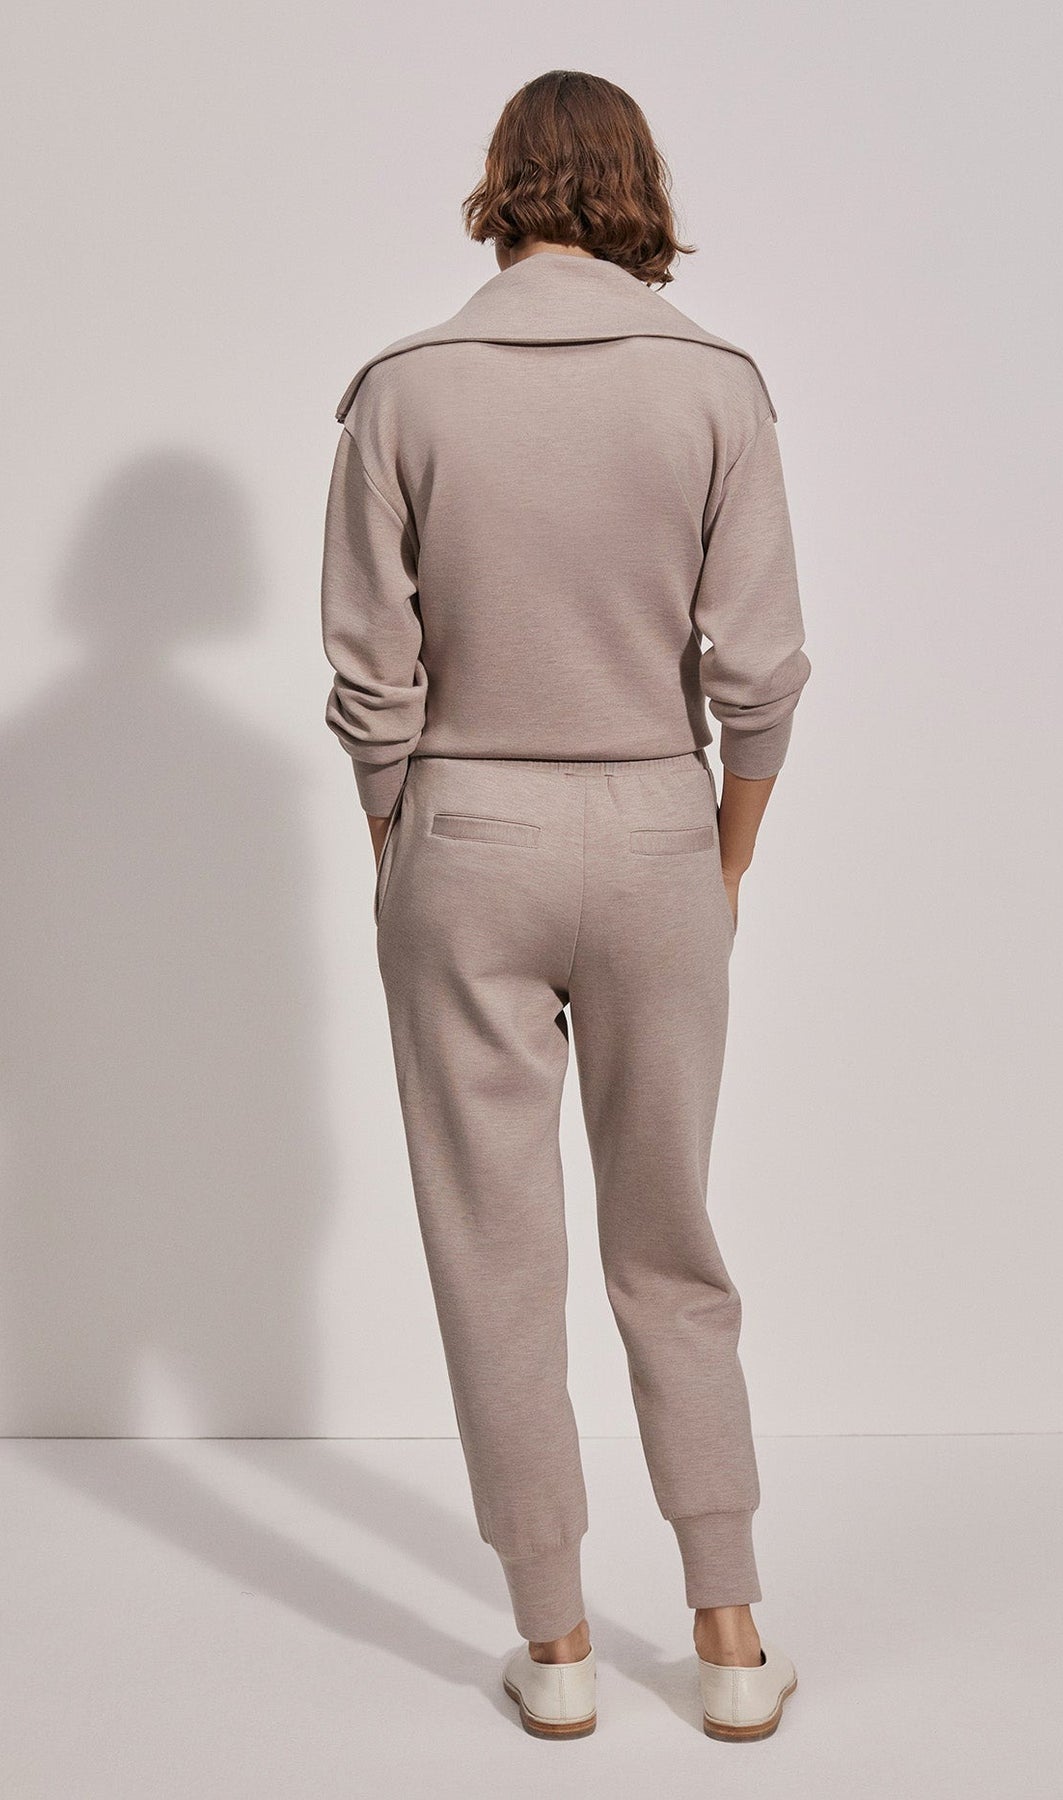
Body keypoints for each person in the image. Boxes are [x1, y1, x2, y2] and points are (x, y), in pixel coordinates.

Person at [320, 69, 810, 1742]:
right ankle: (728, 1632)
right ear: (637, 191)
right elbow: (761, 670)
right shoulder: (715, 387)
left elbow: (370, 676)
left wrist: (398, 849)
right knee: (669, 1241)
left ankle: (555, 1644)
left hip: (464, 831)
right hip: (659, 826)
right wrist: (722, 857)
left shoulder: (403, 389)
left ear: (500, 189)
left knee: (495, 1253)